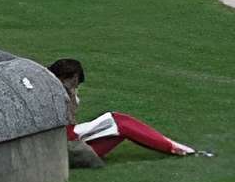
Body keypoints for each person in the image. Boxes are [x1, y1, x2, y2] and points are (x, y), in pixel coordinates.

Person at [47, 58, 210, 163]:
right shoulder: (51, 91)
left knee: (120, 127)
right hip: (64, 136)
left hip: (70, 136)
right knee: (116, 121)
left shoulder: (67, 92)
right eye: (73, 81)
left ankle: (175, 147)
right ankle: (176, 148)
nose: (75, 86)